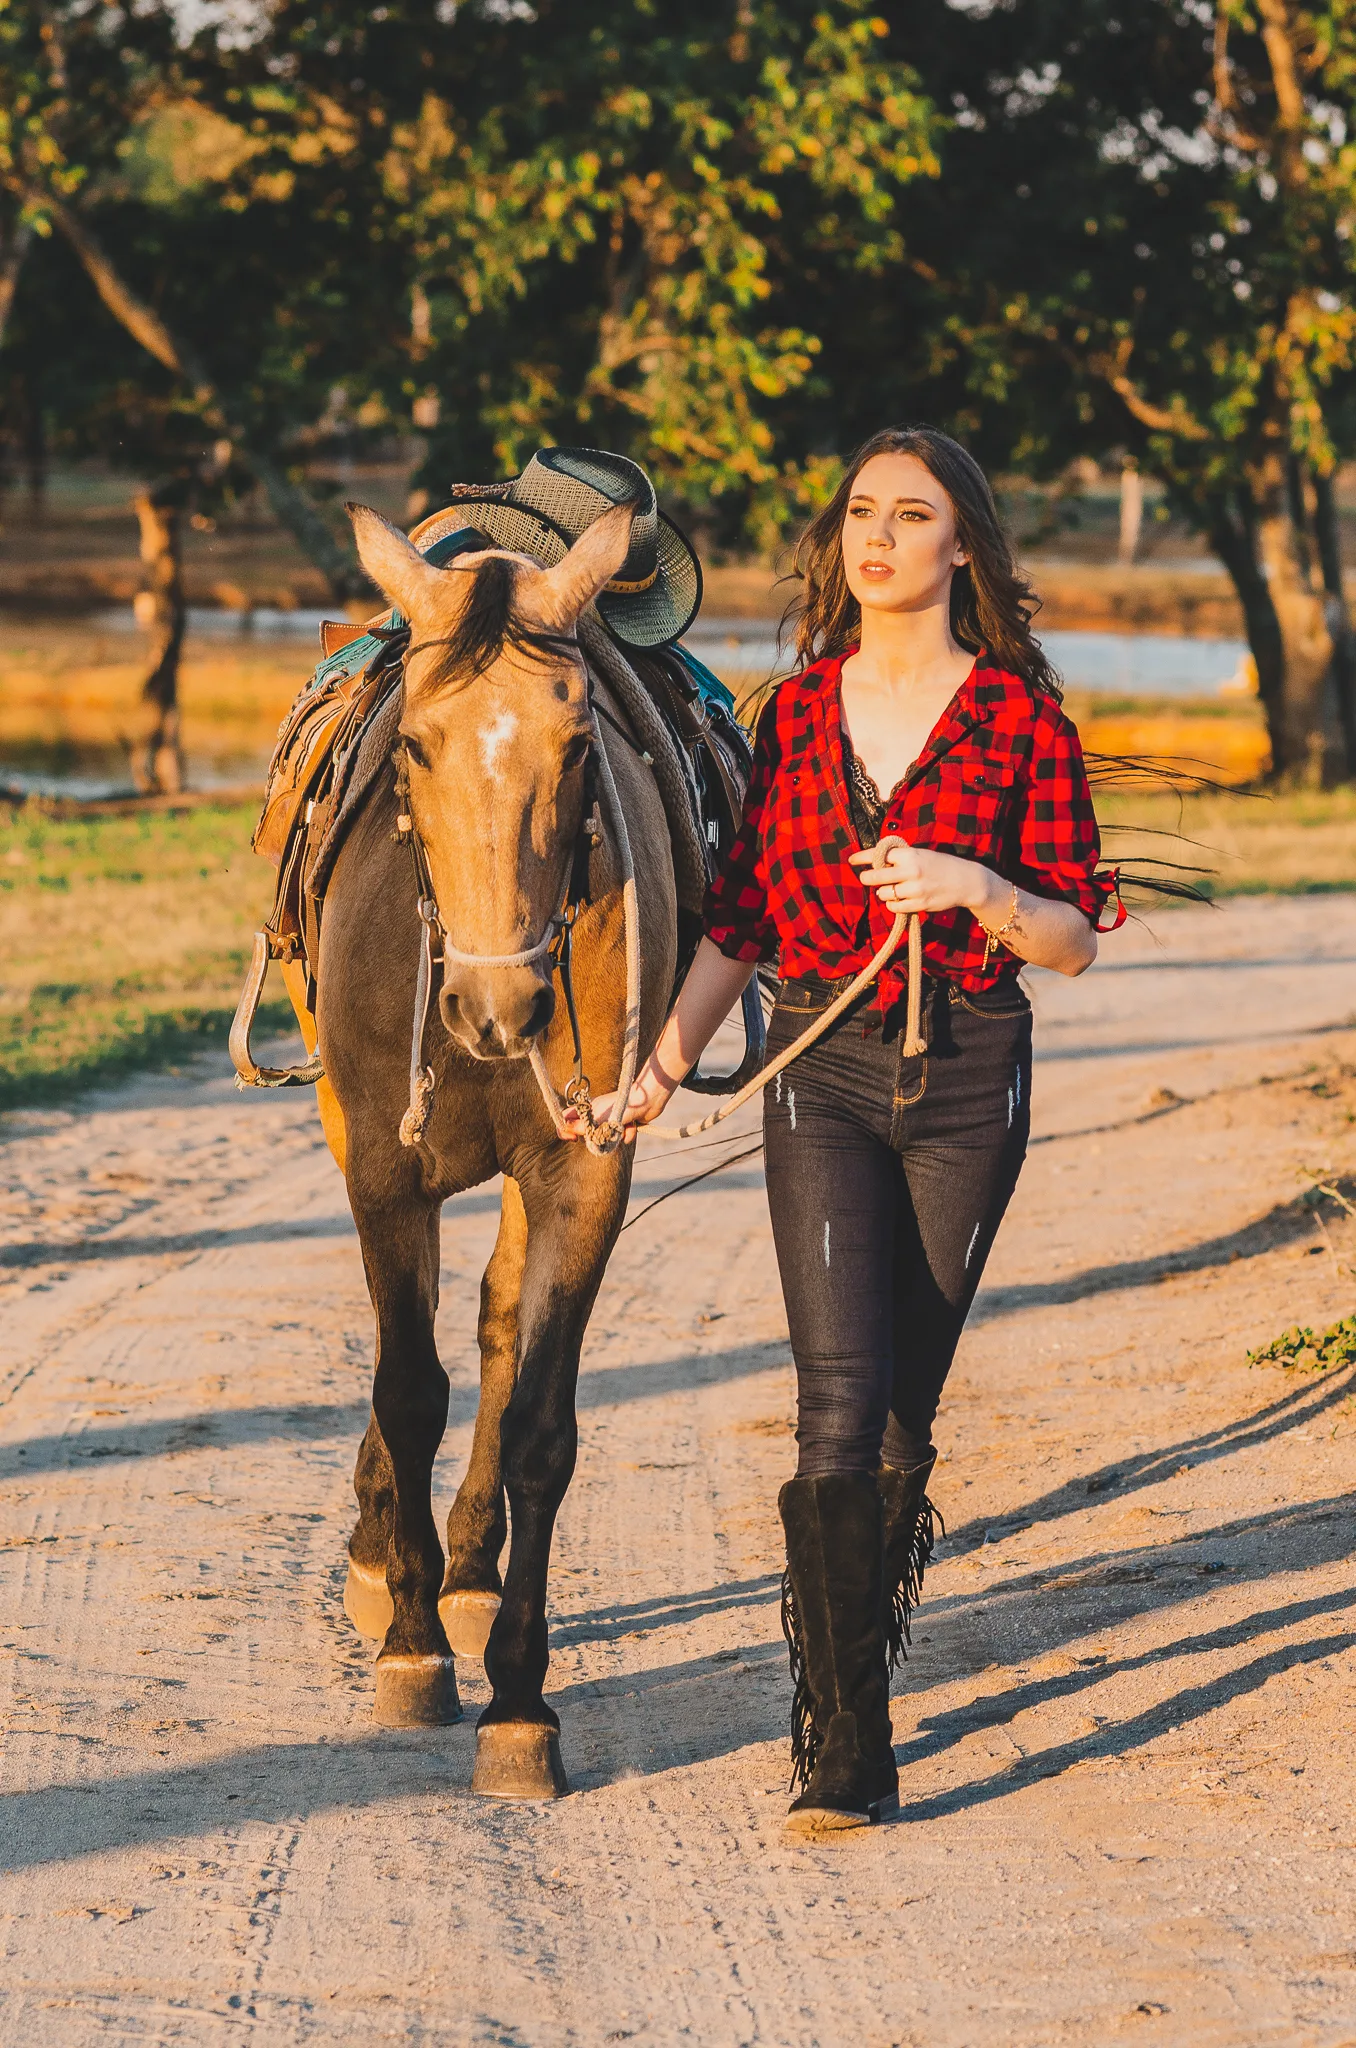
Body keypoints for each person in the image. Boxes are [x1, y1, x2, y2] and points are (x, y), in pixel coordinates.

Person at [576, 425, 1123, 1832]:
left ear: (963, 549)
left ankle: (854, 1650)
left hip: (967, 1075)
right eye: (861, 513)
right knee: (832, 1407)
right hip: (822, 1069)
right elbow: (742, 923)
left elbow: (1071, 938)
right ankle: (842, 1734)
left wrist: (968, 882)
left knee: (900, 1418)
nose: (877, 535)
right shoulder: (798, 715)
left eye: (912, 514)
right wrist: (660, 1066)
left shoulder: (1022, 722)